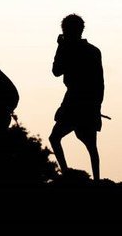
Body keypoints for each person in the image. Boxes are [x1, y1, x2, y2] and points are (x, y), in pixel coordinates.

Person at [50, 14, 105, 180]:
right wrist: (97, 105)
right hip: (86, 102)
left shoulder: (69, 49)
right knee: (91, 146)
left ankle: (67, 173)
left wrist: (61, 47)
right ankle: (95, 179)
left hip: (75, 101)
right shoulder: (93, 51)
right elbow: (100, 83)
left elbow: (56, 71)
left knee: (56, 138)